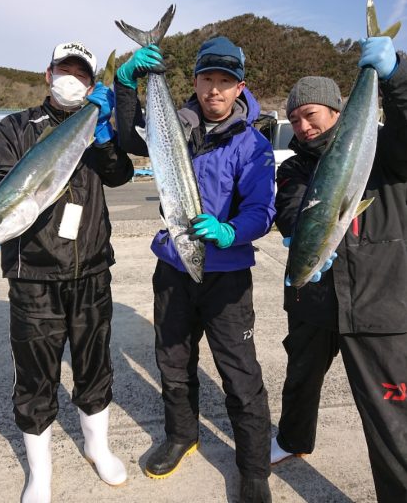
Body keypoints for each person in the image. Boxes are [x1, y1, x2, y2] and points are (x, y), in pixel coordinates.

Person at [0, 42, 134, 503]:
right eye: (64, 69)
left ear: (93, 83)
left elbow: (120, 176)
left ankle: (98, 447)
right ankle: (40, 472)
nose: (70, 78)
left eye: (81, 73)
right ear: (47, 74)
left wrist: (106, 139)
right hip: (33, 274)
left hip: (92, 268)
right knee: (36, 375)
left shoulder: (98, 121)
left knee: (94, 364)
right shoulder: (16, 126)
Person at [114, 36, 276, 502]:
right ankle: (182, 435)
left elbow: (262, 209)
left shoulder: (254, 143)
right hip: (173, 270)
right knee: (174, 363)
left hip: (226, 278)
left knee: (241, 375)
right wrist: (127, 84)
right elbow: (129, 139)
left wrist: (230, 231)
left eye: (226, 82)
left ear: (240, 87)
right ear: (196, 81)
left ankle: (254, 468)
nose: (215, 90)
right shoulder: (176, 124)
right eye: (208, 79)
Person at [272, 36, 407, 502]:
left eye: (311, 114)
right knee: (300, 379)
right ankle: (292, 440)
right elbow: (289, 208)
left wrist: (396, 76)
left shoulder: (385, 150)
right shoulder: (292, 166)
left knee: (394, 421)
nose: (302, 126)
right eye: (294, 119)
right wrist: (299, 231)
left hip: (378, 301)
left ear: (335, 111)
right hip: (313, 298)